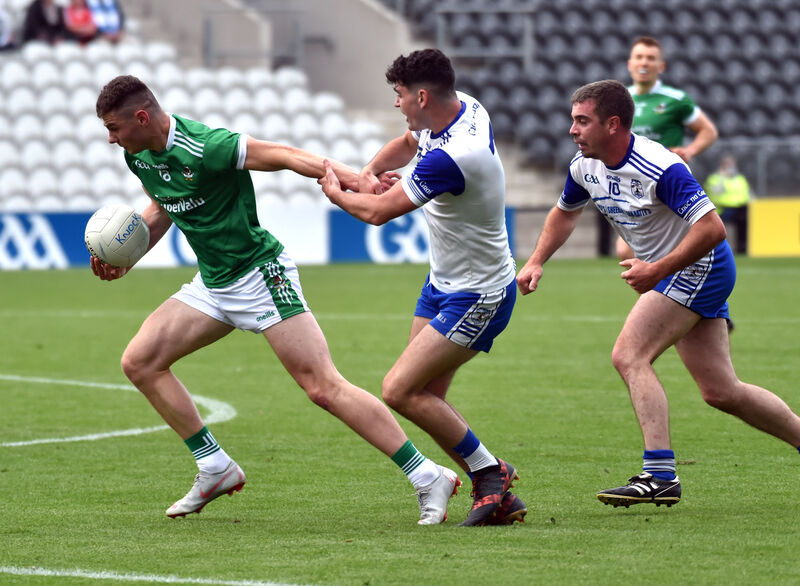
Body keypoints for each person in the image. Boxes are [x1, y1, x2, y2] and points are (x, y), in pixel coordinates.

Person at [92, 75, 461, 525]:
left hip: (260, 275)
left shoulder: (208, 145)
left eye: (114, 127)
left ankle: (427, 476)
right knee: (141, 361)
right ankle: (214, 466)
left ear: (142, 117)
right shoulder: (140, 156)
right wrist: (128, 254)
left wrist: (358, 180)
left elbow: (287, 156)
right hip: (213, 284)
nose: (111, 139)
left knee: (323, 387)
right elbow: (162, 208)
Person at [516, 79, 800, 509]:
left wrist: (658, 270)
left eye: (581, 121)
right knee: (721, 391)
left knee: (629, 355)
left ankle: (660, 474)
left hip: (699, 266)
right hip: (675, 271)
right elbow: (564, 214)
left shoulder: (659, 166)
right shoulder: (584, 165)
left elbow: (713, 228)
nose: (572, 130)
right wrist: (537, 260)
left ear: (613, 124)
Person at [319, 49, 525, 526]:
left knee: (400, 390)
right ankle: (498, 494)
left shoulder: (455, 155)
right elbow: (408, 143)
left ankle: (492, 474)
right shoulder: (463, 108)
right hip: (443, 283)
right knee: (425, 397)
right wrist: (369, 174)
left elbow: (376, 214)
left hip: (481, 293)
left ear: (423, 95)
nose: (397, 103)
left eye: (399, 94)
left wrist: (340, 192)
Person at [614, 35, 719, 261]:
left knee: (648, 250)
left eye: (650, 58)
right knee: (626, 250)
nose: (644, 63)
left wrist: (689, 151)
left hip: (666, 182)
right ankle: (662, 293)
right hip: (630, 184)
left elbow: (708, 131)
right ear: (629, 64)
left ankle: (668, 293)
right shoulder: (619, 100)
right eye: (639, 57)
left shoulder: (675, 99)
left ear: (661, 66)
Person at [704, 154, 751, 254]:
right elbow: (714, 193)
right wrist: (722, 176)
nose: (731, 167)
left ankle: (741, 250)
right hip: (722, 209)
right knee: (724, 230)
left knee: (743, 230)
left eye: (733, 165)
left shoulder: (740, 178)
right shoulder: (715, 178)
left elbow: (747, 193)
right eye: (728, 165)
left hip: (740, 208)